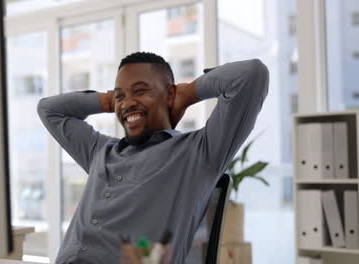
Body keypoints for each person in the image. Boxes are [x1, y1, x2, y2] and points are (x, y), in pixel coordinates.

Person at [38, 52, 269, 264]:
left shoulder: (198, 152)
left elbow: (251, 75)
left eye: (140, 91)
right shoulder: (100, 150)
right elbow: (48, 110)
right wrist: (110, 101)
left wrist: (187, 94)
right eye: (121, 96)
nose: (128, 103)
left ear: (169, 94)